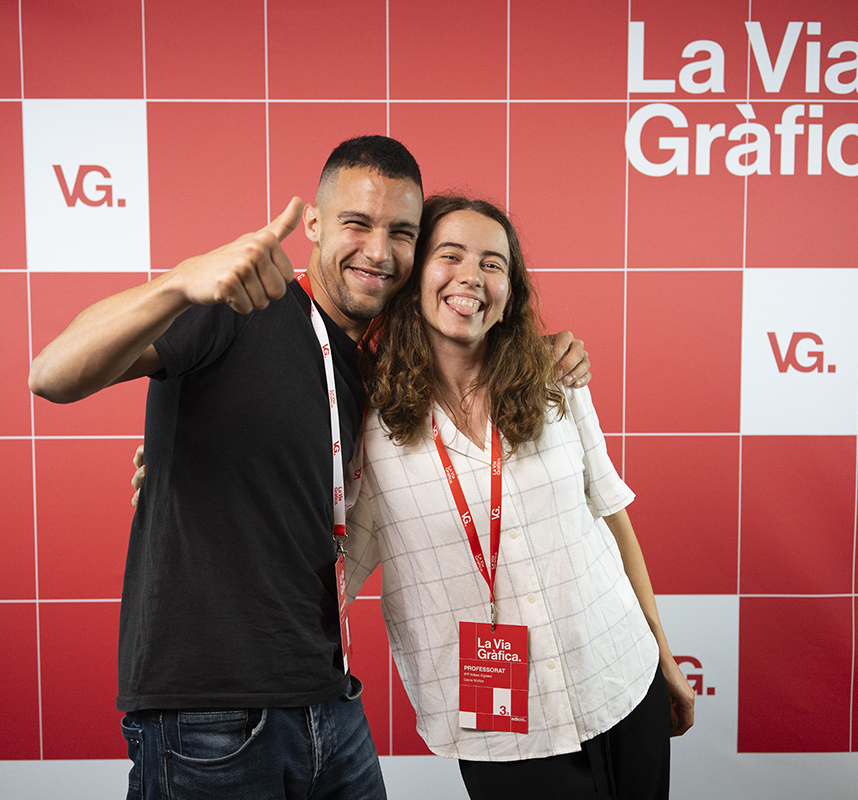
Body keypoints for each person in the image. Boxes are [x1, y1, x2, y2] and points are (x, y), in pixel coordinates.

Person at [29, 136, 589, 800]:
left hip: (330, 701)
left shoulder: (387, 372)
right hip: (210, 715)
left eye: (402, 233)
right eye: (358, 223)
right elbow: (52, 374)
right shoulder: (232, 308)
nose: (379, 251)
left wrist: (548, 352)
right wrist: (180, 282)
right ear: (315, 224)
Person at [343, 195, 695, 799]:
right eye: (450, 256)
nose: (471, 277)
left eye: (493, 263)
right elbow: (329, 570)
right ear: (414, 278)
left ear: (510, 293)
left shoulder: (557, 381)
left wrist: (662, 654)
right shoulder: (372, 434)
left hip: (619, 677)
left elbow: (612, 519)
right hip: (502, 730)